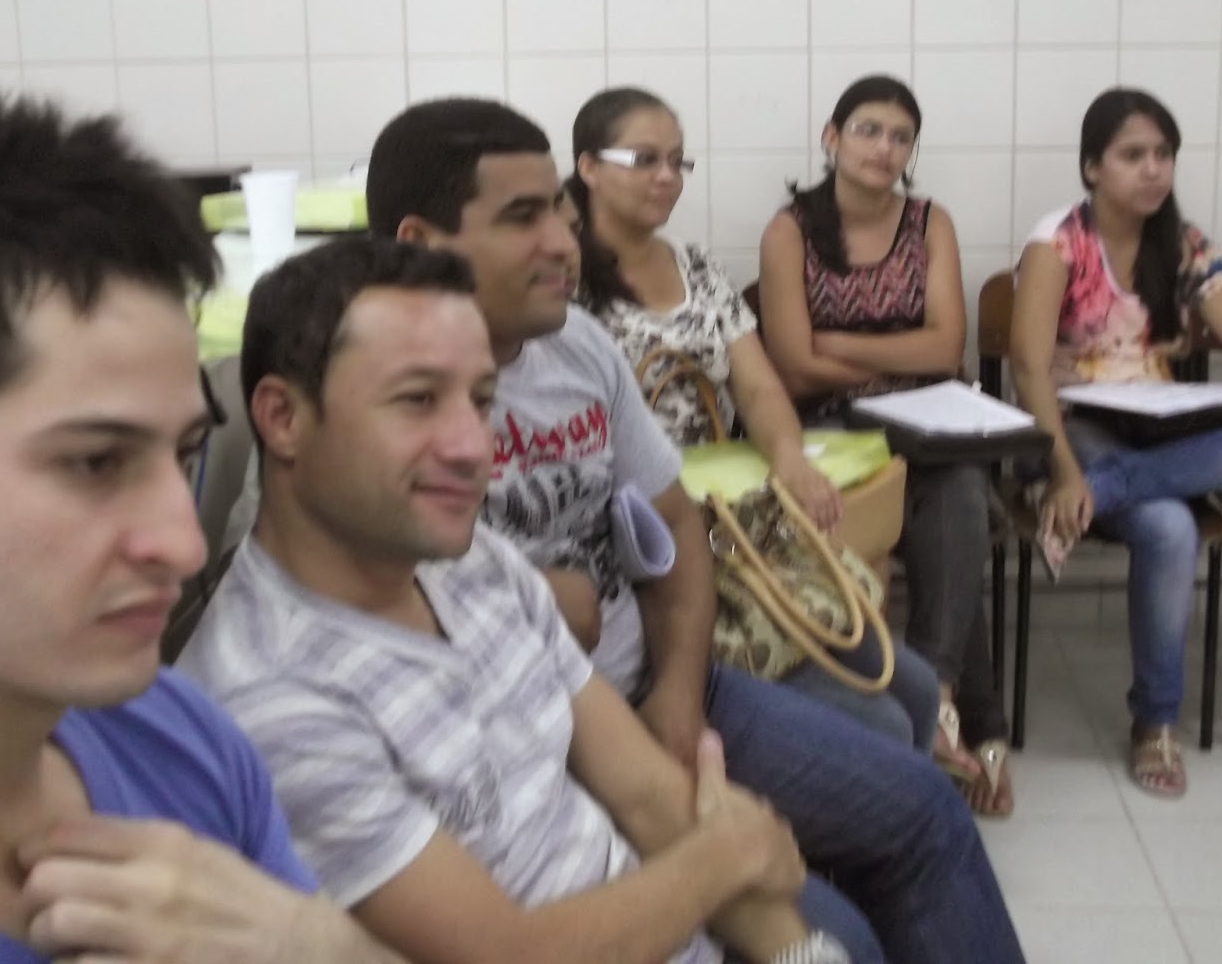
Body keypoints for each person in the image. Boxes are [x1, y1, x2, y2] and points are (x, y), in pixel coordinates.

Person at [369, 96, 1026, 964]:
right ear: (420, 244)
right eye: (526, 219)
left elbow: (675, 524)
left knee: (925, 814)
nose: (564, 242)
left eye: (559, 215)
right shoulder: (364, 405)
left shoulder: (574, 344)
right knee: (841, 937)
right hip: (550, 749)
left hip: (668, 686)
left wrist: (678, 695)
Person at [179, 235, 848, 964]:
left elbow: (646, 794)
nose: (475, 447)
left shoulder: (470, 561)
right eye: (417, 400)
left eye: (481, 401)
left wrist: (802, 953)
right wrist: (725, 859)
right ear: (283, 418)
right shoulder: (272, 699)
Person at [0, 90, 398, 962]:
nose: (184, 545)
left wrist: (316, 946)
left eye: (183, 453)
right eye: (95, 462)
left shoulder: (168, 732)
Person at [562, 85, 941, 751]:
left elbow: (760, 387)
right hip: (643, 540)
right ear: (588, 166)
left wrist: (790, 460)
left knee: (916, 686)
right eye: (645, 160)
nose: (667, 177)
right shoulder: (562, 284)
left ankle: (898, 784)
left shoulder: (696, 267)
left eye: (678, 161)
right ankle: (873, 795)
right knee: (884, 724)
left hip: (727, 523)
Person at [1010, 86, 1222, 798]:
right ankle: (1156, 722)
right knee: (1172, 528)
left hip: (1155, 429)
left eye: (1163, 154)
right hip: (1069, 427)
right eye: (1132, 155)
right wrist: (1064, 469)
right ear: (1092, 167)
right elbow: (1026, 366)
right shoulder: (1059, 240)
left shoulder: (1181, 241)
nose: (1152, 169)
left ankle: (1097, 495)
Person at [758, 75, 1011, 816]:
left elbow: (946, 347)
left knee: (960, 491)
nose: (884, 148)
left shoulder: (929, 222)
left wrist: (837, 341)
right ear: (832, 138)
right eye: (868, 130)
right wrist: (894, 354)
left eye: (901, 137)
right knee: (952, 518)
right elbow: (792, 366)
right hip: (828, 426)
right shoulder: (790, 231)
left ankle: (934, 693)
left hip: (926, 418)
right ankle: (973, 723)